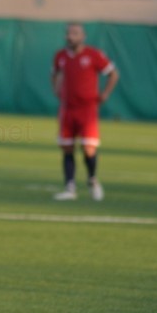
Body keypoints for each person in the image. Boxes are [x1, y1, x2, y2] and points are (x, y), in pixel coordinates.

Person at [51, 22, 119, 201]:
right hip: (67, 109)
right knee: (67, 147)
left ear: (83, 36)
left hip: (87, 109)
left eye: (74, 33)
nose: (70, 36)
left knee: (88, 148)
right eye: (68, 33)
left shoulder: (93, 55)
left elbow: (113, 74)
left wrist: (104, 94)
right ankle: (69, 187)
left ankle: (92, 180)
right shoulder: (60, 56)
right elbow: (55, 74)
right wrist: (56, 89)